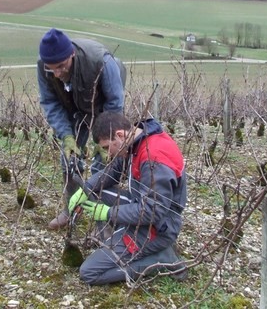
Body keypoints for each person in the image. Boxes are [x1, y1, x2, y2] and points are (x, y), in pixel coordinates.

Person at [68, 111, 188, 285]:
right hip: (142, 209)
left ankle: (162, 259)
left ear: (120, 135)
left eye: (108, 147)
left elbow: (152, 211)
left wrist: (108, 213)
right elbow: (114, 171)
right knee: (95, 193)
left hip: (157, 228)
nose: (108, 154)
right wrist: (86, 189)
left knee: (89, 273)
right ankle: (113, 239)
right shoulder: (136, 142)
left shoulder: (153, 156)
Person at [37, 28, 127, 230]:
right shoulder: (44, 65)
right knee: (68, 158)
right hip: (74, 108)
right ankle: (71, 210)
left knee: (102, 163)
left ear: (72, 54)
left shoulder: (101, 62)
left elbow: (115, 103)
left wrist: (104, 140)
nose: (57, 73)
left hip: (104, 109)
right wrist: (67, 136)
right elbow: (50, 102)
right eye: (53, 69)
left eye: (61, 66)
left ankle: (101, 218)